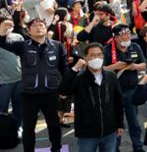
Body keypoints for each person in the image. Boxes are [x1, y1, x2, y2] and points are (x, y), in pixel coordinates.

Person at [0, 18, 66, 152]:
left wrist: (65, 90)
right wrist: (2, 30)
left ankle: (56, 149)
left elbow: (64, 70)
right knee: (29, 128)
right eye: (34, 26)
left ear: (46, 28)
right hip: (29, 95)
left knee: (54, 125)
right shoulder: (23, 45)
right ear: (29, 31)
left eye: (41, 25)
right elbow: (3, 43)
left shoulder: (57, 46)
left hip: (51, 93)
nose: (38, 27)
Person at [59, 42, 125, 152]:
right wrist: (75, 69)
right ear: (85, 58)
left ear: (103, 57)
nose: (96, 58)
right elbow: (63, 91)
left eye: (99, 55)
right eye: (93, 55)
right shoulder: (79, 78)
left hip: (110, 132)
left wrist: (120, 124)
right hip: (87, 134)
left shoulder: (111, 76)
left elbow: (118, 102)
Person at [103, 24, 146, 152]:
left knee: (134, 122)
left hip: (131, 91)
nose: (128, 36)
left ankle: (138, 147)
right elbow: (100, 69)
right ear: (116, 38)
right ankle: (115, 148)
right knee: (116, 123)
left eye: (128, 34)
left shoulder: (135, 46)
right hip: (113, 93)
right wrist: (115, 66)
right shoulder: (106, 50)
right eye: (124, 34)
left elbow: (144, 65)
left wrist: (135, 67)